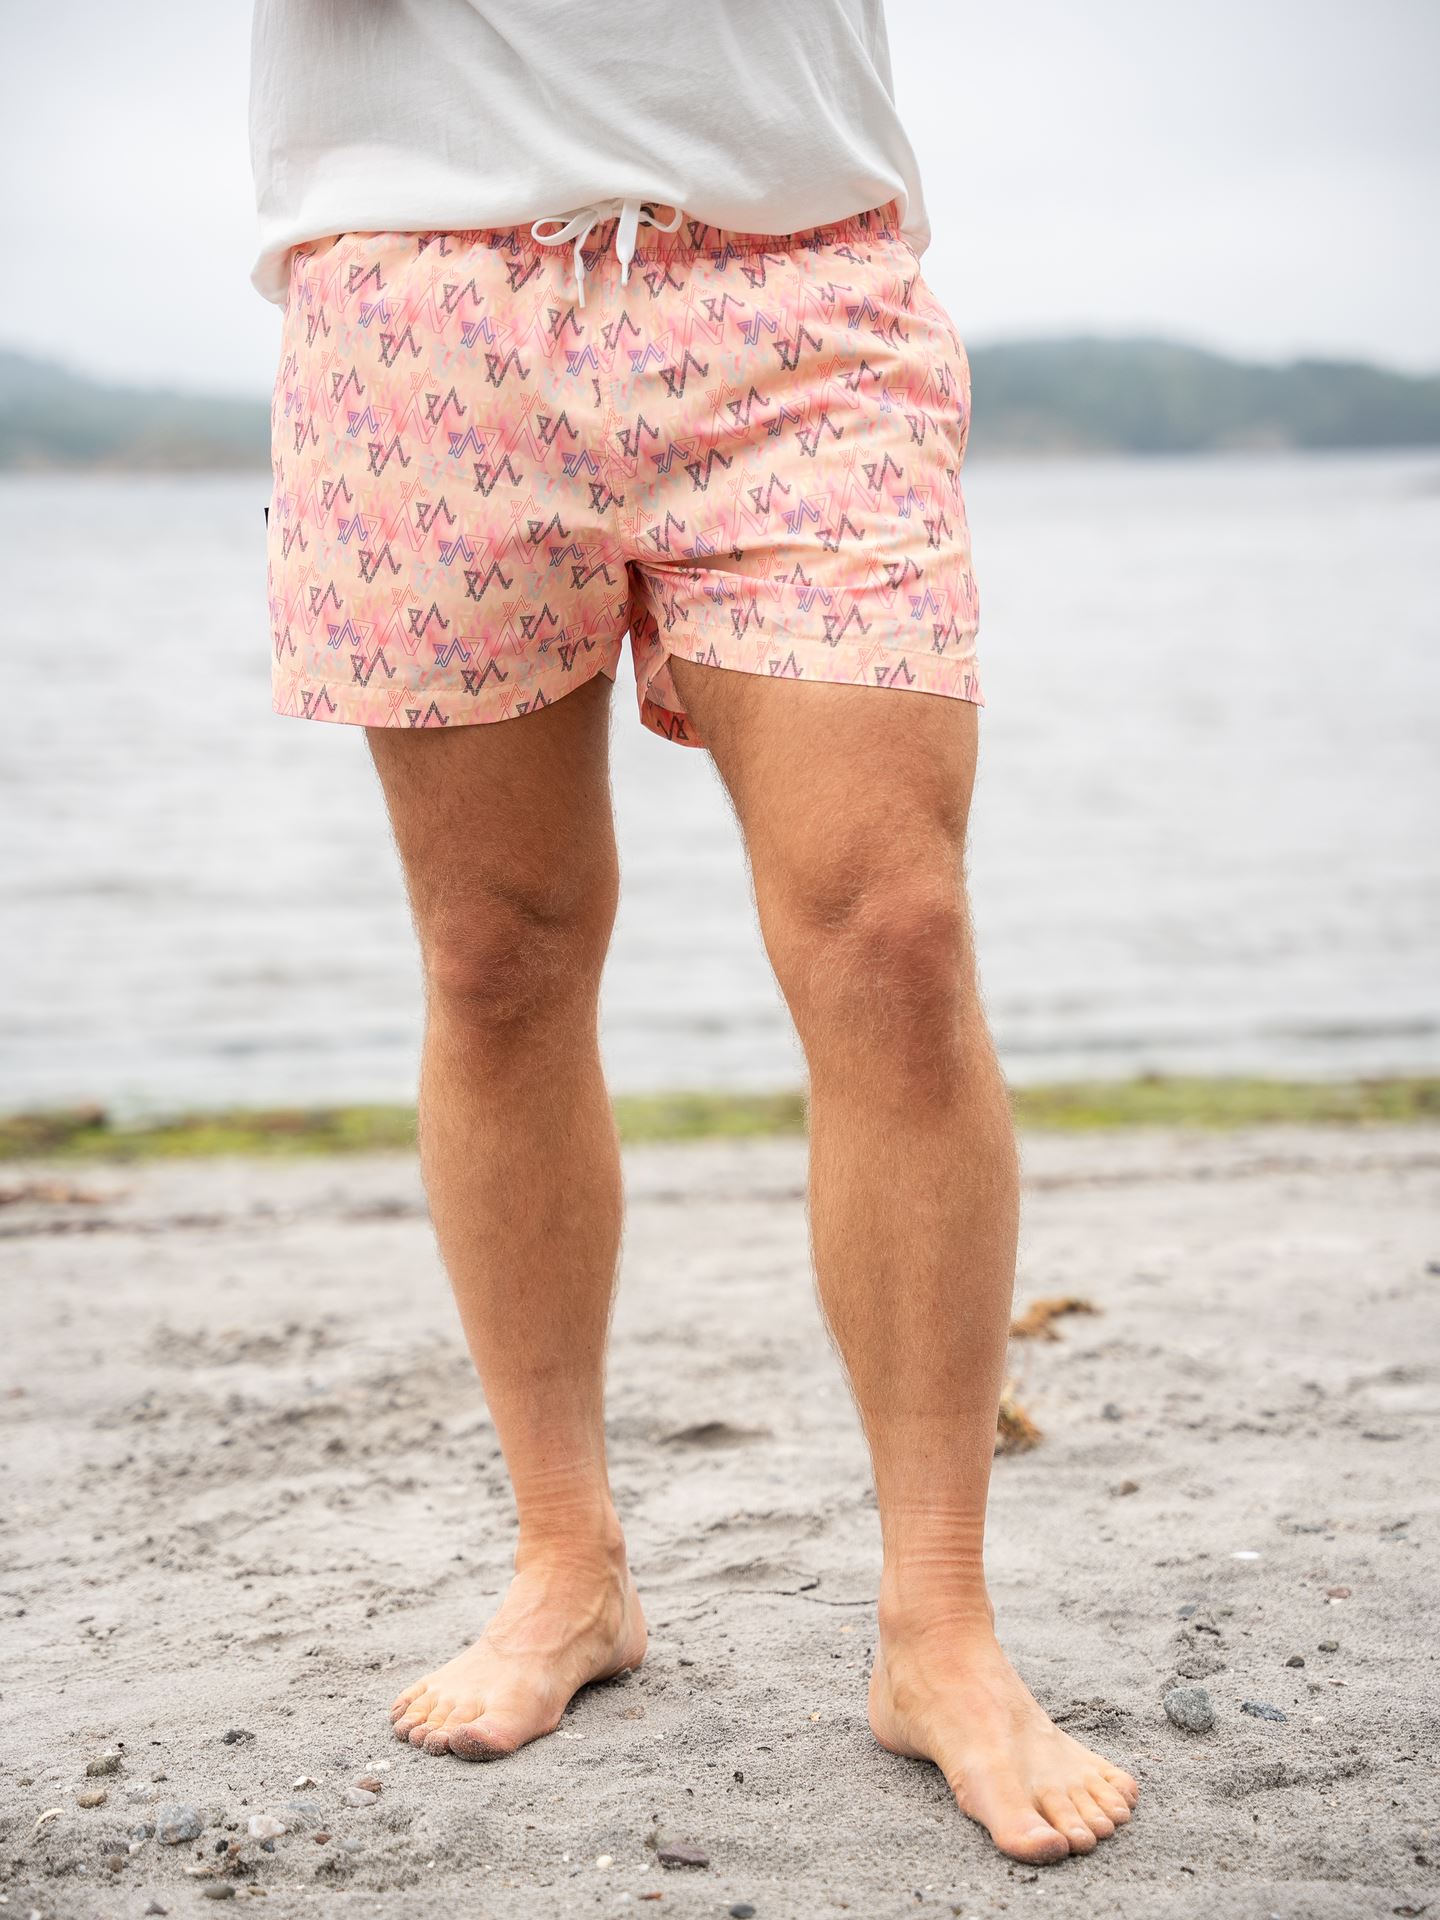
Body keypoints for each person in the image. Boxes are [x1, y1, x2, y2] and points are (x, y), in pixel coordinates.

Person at [249, 0, 1138, 1867]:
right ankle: (566, 1563)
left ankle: (939, 1625)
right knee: (496, 955)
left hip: (794, 279)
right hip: (420, 304)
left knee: (895, 937)